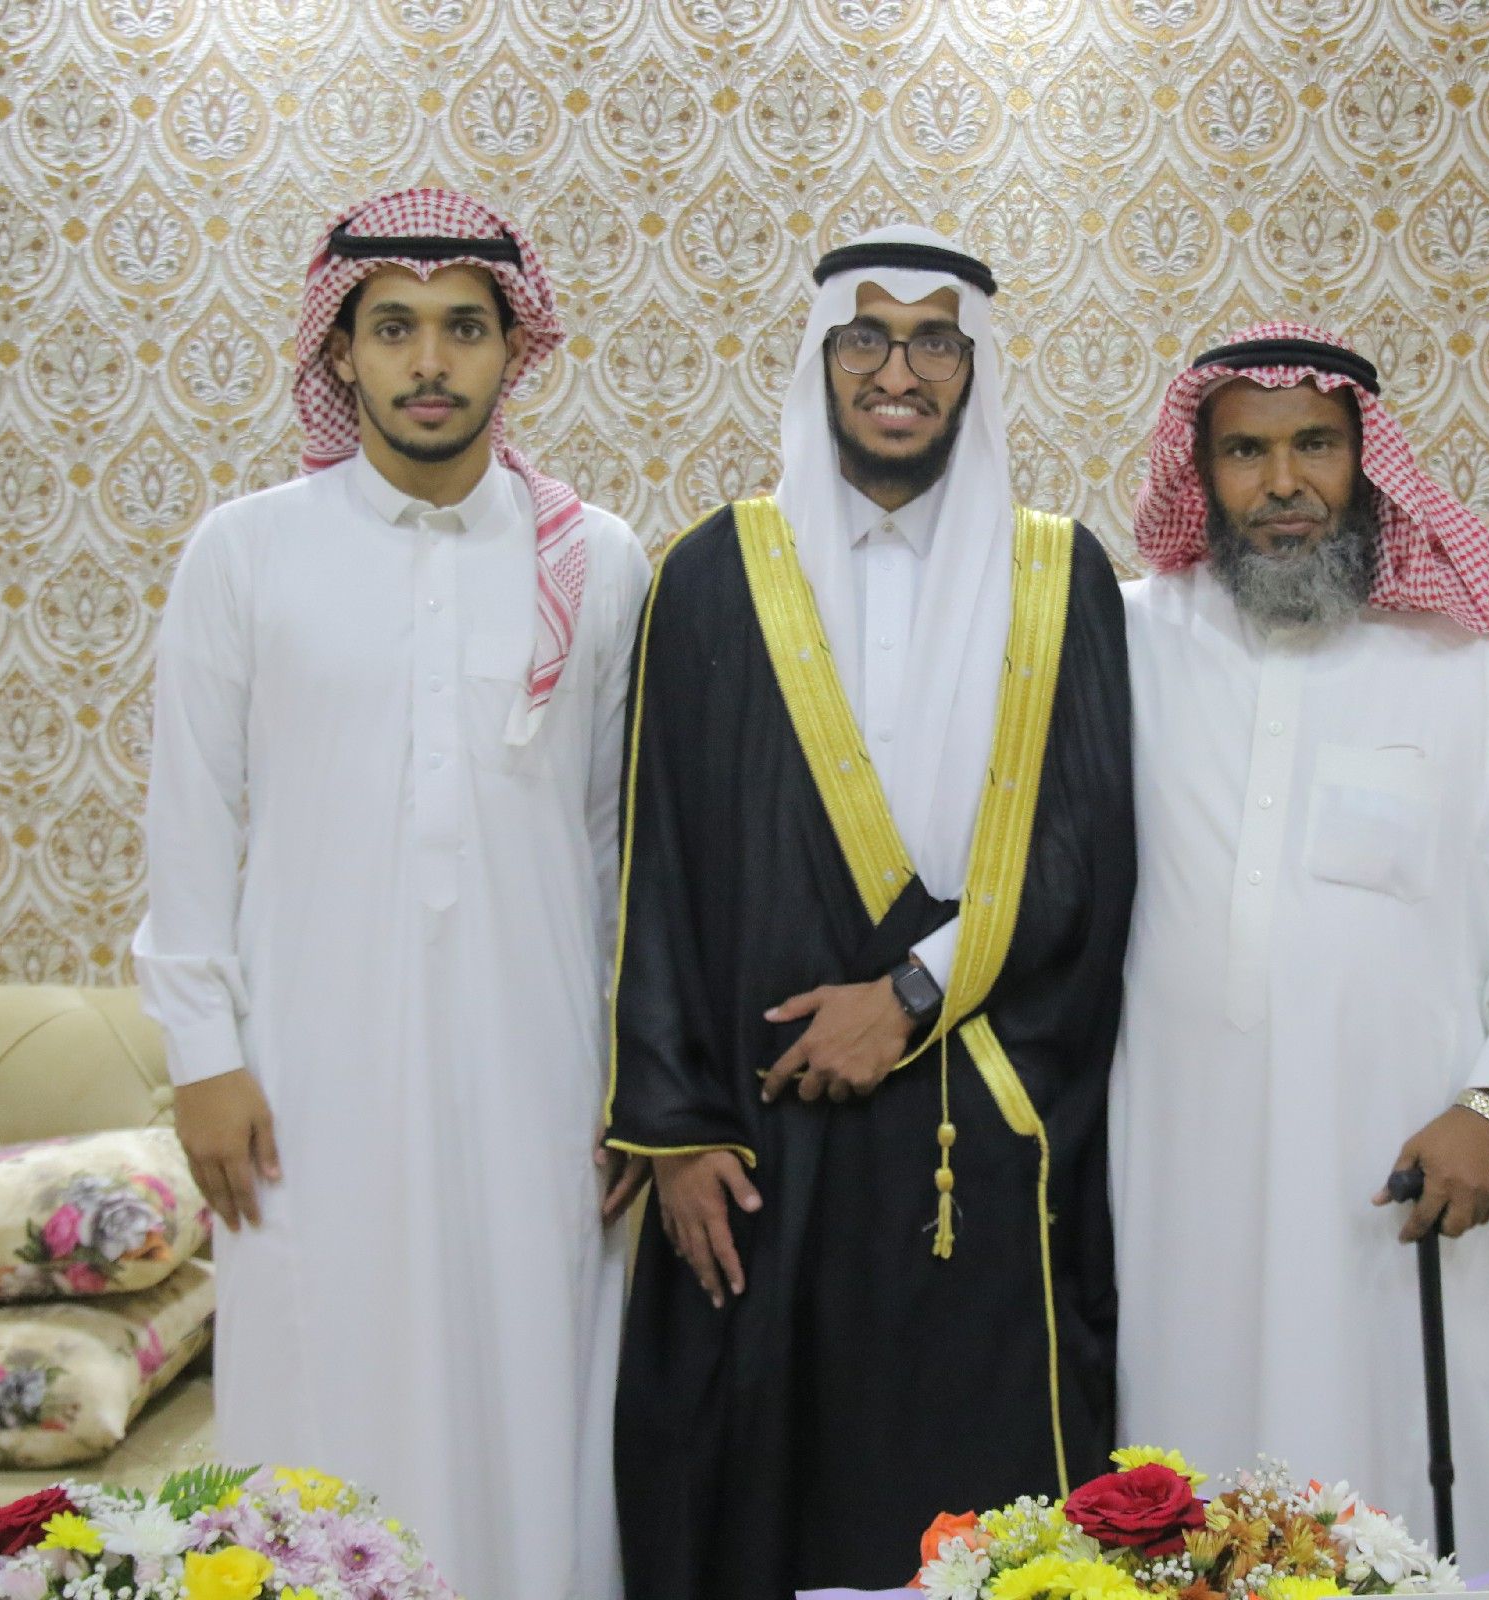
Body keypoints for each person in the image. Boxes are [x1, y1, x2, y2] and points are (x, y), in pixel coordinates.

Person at [135, 188, 651, 1600]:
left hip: (539, 1068)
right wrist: (203, 1057)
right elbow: (192, 823)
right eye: (395, 327)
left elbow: (618, 845)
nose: (430, 361)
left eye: (465, 328)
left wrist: (637, 1083)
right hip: (307, 1076)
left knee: (534, 1386)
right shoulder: (246, 550)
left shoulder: (596, 560)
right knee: (322, 1385)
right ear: (341, 350)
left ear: (514, 348)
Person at [606, 226, 1137, 1598]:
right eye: (867, 338)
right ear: (822, 356)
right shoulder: (712, 574)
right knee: (757, 1490)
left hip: (985, 1120)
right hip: (764, 1135)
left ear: (975, 367)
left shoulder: (1060, 577)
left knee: (983, 1503)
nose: (897, 373)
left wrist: (908, 995)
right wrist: (677, 1128)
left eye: (934, 342)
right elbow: (657, 868)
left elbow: (1086, 855)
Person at [1113, 323, 1489, 1584]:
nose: (1283, 482)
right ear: (1200, 473)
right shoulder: (1124, 644)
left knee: (1435, 1506)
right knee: (1190, 1503)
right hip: (1182, 1191)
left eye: (1316, 446)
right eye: (1246, 452)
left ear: (1368, 459)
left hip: (1421, 1182)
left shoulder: (1475, 666)